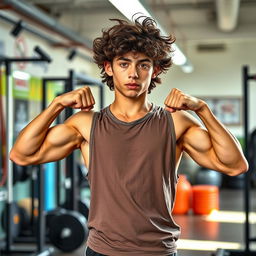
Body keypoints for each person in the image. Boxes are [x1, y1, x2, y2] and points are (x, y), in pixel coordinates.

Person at [10, 17, 248, 256]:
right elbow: (21, 155)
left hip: (158, 251)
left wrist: (203, 109)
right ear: (108, 67)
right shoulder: (86, 124)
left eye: (143, 65)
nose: (133, 74)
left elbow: (235, 165)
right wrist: (56, 105)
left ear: (154, 70)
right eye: (124, 64)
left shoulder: (174, 123)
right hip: (103, 251)